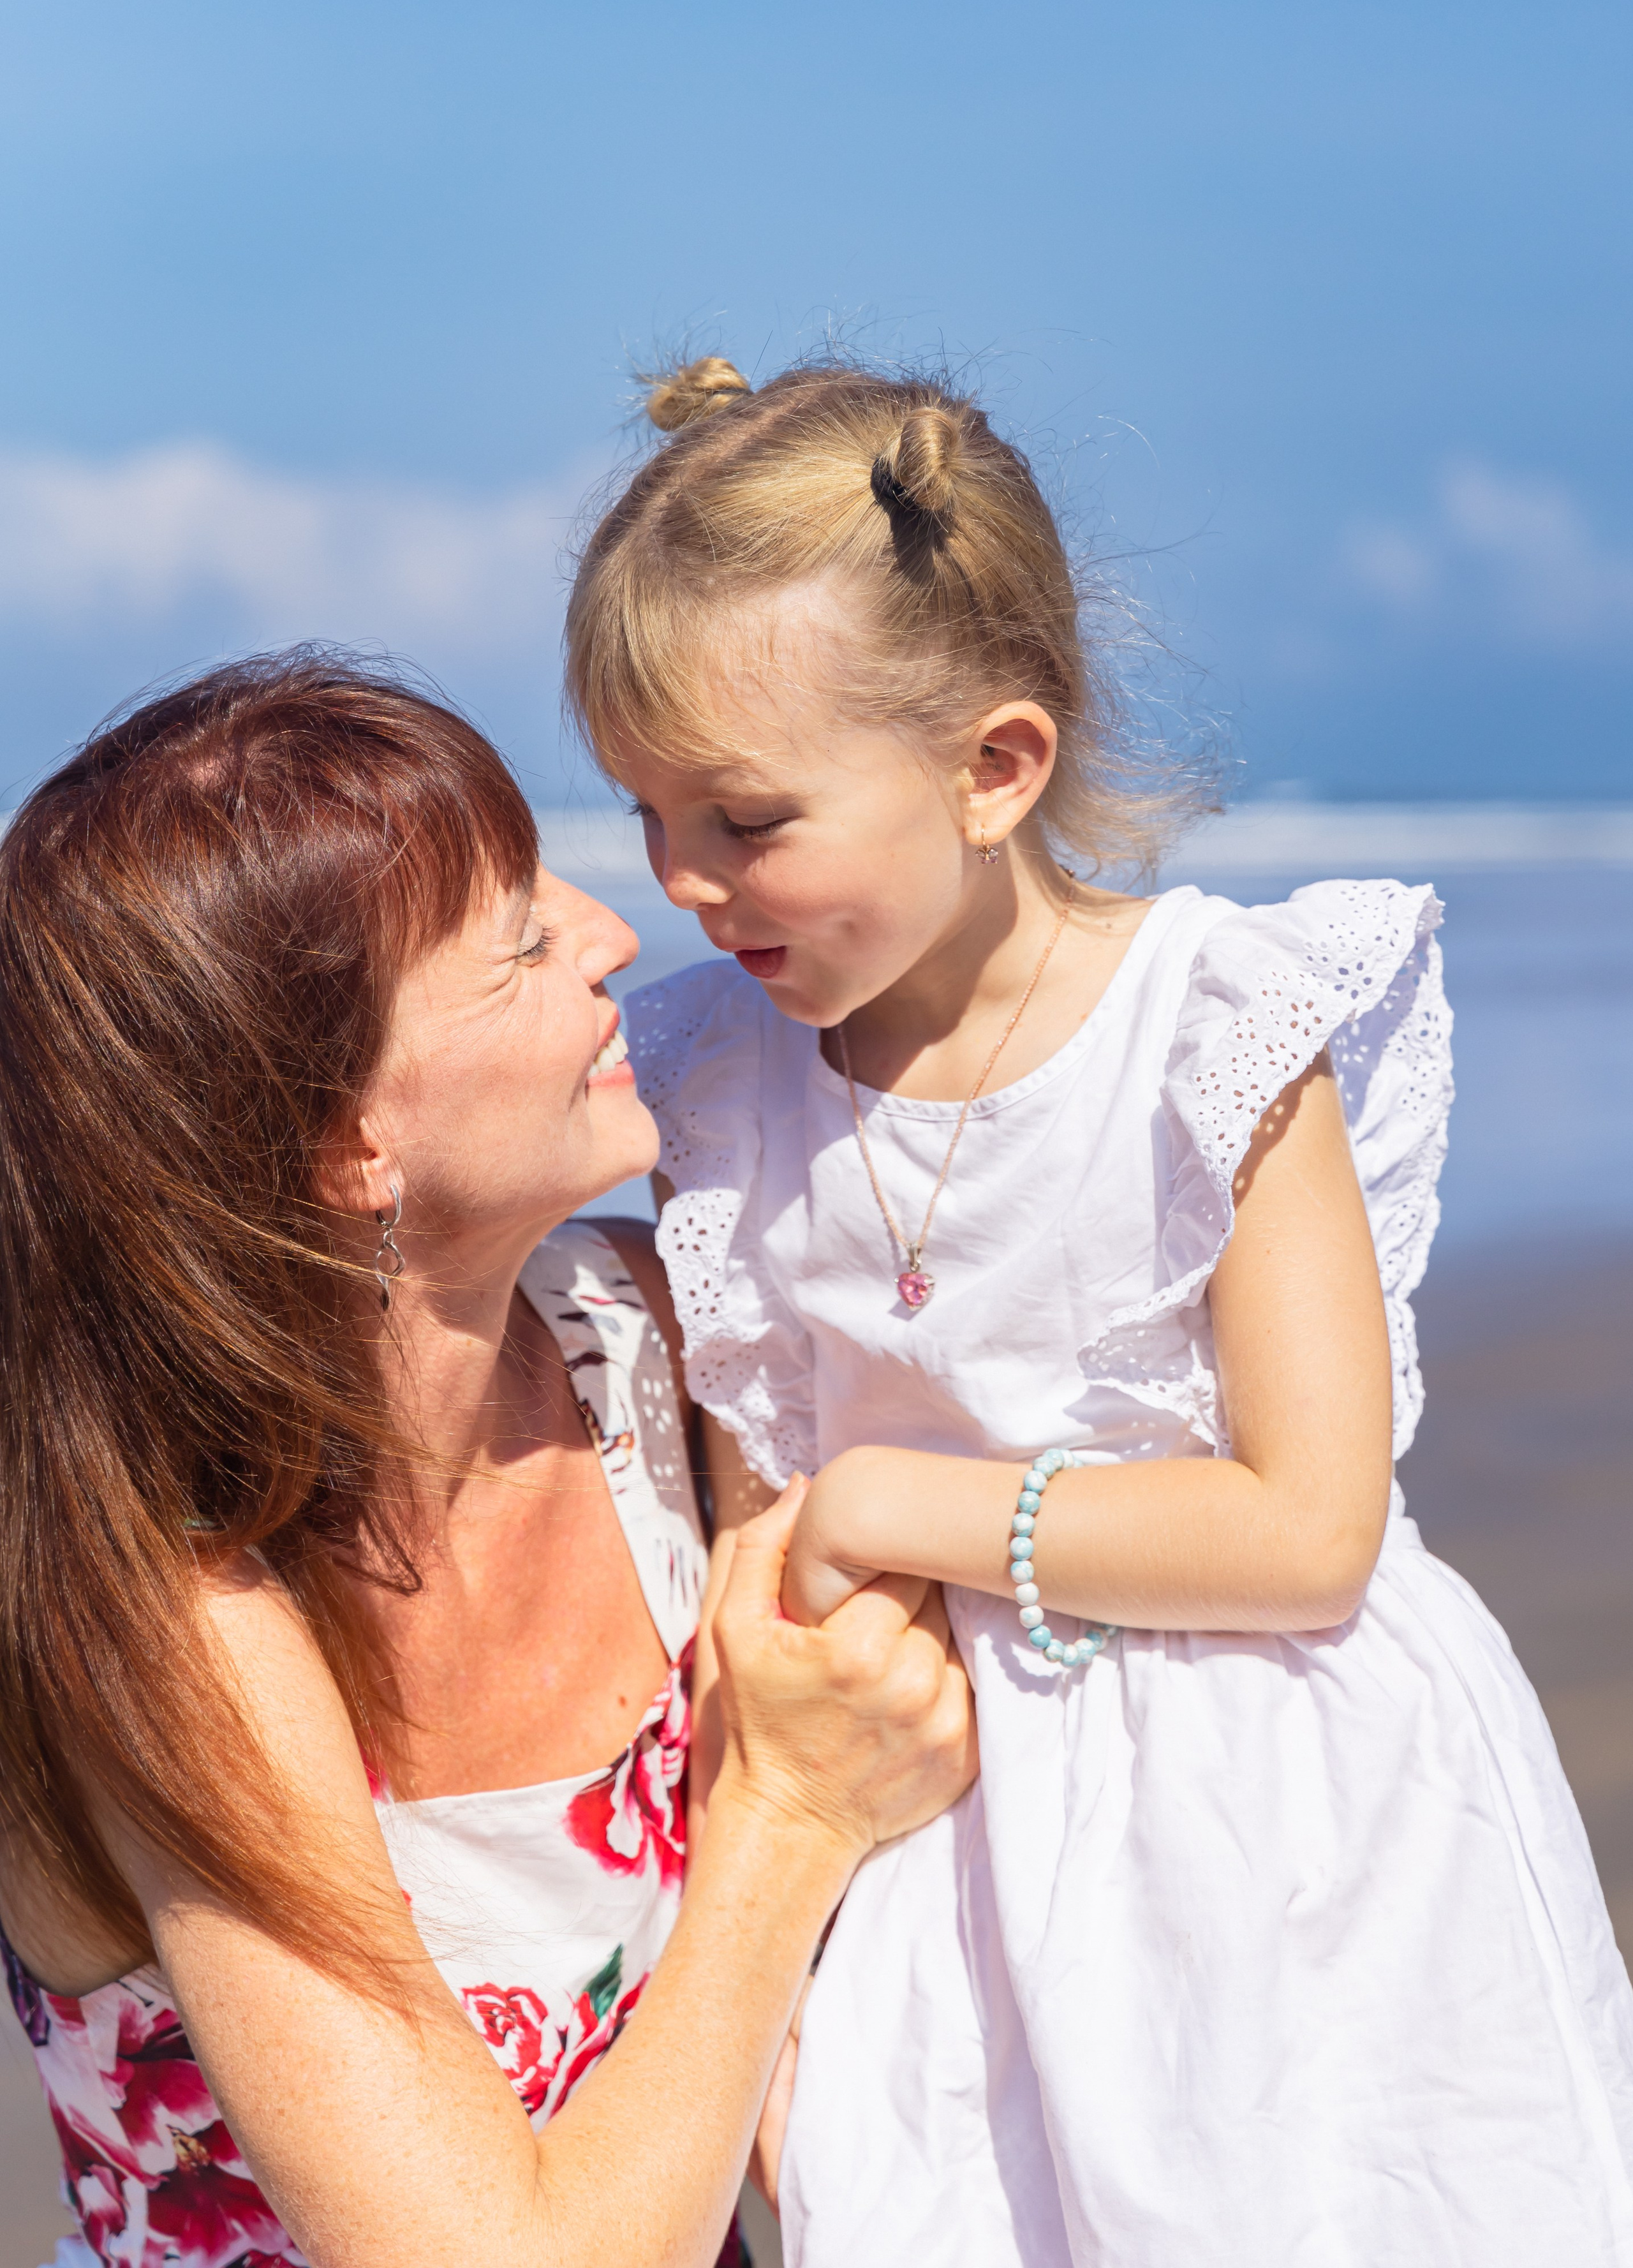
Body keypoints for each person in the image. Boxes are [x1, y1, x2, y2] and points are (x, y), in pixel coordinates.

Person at [564, 357, 1633, 2265]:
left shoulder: (1212, 1039)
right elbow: (756, 1555)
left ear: (997, 768)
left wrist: (905, 1504)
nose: (681, 884)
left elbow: (1309, 1534)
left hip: (1286, 1821)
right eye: (643, 814)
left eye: (744, 816)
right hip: (931, 1817)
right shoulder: (723, 1084)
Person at [0, 652, 975, 2268]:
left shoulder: (659, 1344)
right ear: (343, 1144)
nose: (612, 934)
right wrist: (789, 1814)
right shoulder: (165, 1598)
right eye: (519, 943)